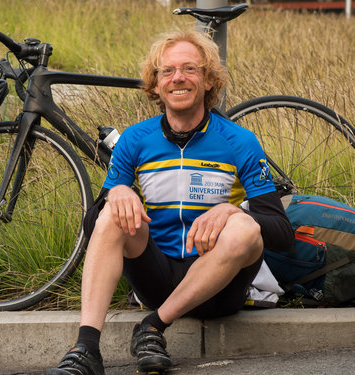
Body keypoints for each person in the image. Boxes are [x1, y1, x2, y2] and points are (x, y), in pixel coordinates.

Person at [45, 29, 294, 375]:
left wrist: (230, 212)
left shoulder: (239, 141)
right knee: (111, 214)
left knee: (244, 227)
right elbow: (94, 228)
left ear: (208, 81)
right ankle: (85, 349)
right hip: (156, 278)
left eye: (190, 69)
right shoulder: (135, 139)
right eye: (167, 71)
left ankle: (152, 328)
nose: (178, 77)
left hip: (219, 290)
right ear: (156, 84)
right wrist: (117, 193)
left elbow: (282, 233)